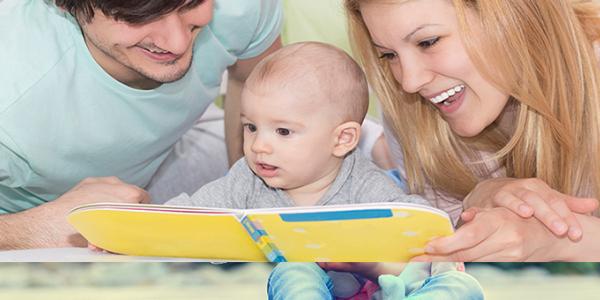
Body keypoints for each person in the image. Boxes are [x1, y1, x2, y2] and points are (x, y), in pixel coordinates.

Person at [165, 41, 482, 300]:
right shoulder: (246, 180)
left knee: (460, 285)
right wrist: (130, 227)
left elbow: (415, 219)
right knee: (293, 270)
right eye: (251, 127)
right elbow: (189, 213)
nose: (259, 145)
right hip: (314, 285)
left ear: (342, 139)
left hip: (379, 288)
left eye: (283, 132)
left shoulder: (363, 183)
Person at [0, 0, 282, 249]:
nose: (177, 44)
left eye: (191, 4)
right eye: (139, 17)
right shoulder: (13, 89)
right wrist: (33, 226)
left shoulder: (242, 6)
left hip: (172, 153)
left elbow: (250, 79)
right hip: (28, 213)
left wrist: (256, 193)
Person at [344, 0, 600, 261]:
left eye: (428, 42)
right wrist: (477, 199)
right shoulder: (410, 114)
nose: (410, 82)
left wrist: (560, 241)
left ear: (514, 13)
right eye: (389, 55)